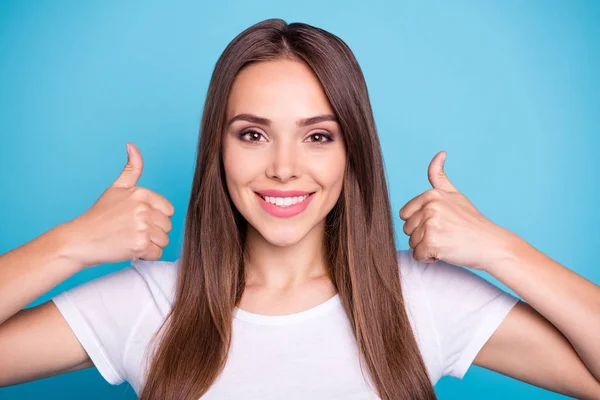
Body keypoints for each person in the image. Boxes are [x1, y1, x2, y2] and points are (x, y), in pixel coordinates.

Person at [1, 18, 599, 400]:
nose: (284, 166)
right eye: (253, 134)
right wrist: (69, 245)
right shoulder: (151, 303)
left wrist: (501, 250)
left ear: (352, 152)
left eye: (318, 135)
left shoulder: (421, 297)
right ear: (219, 150)